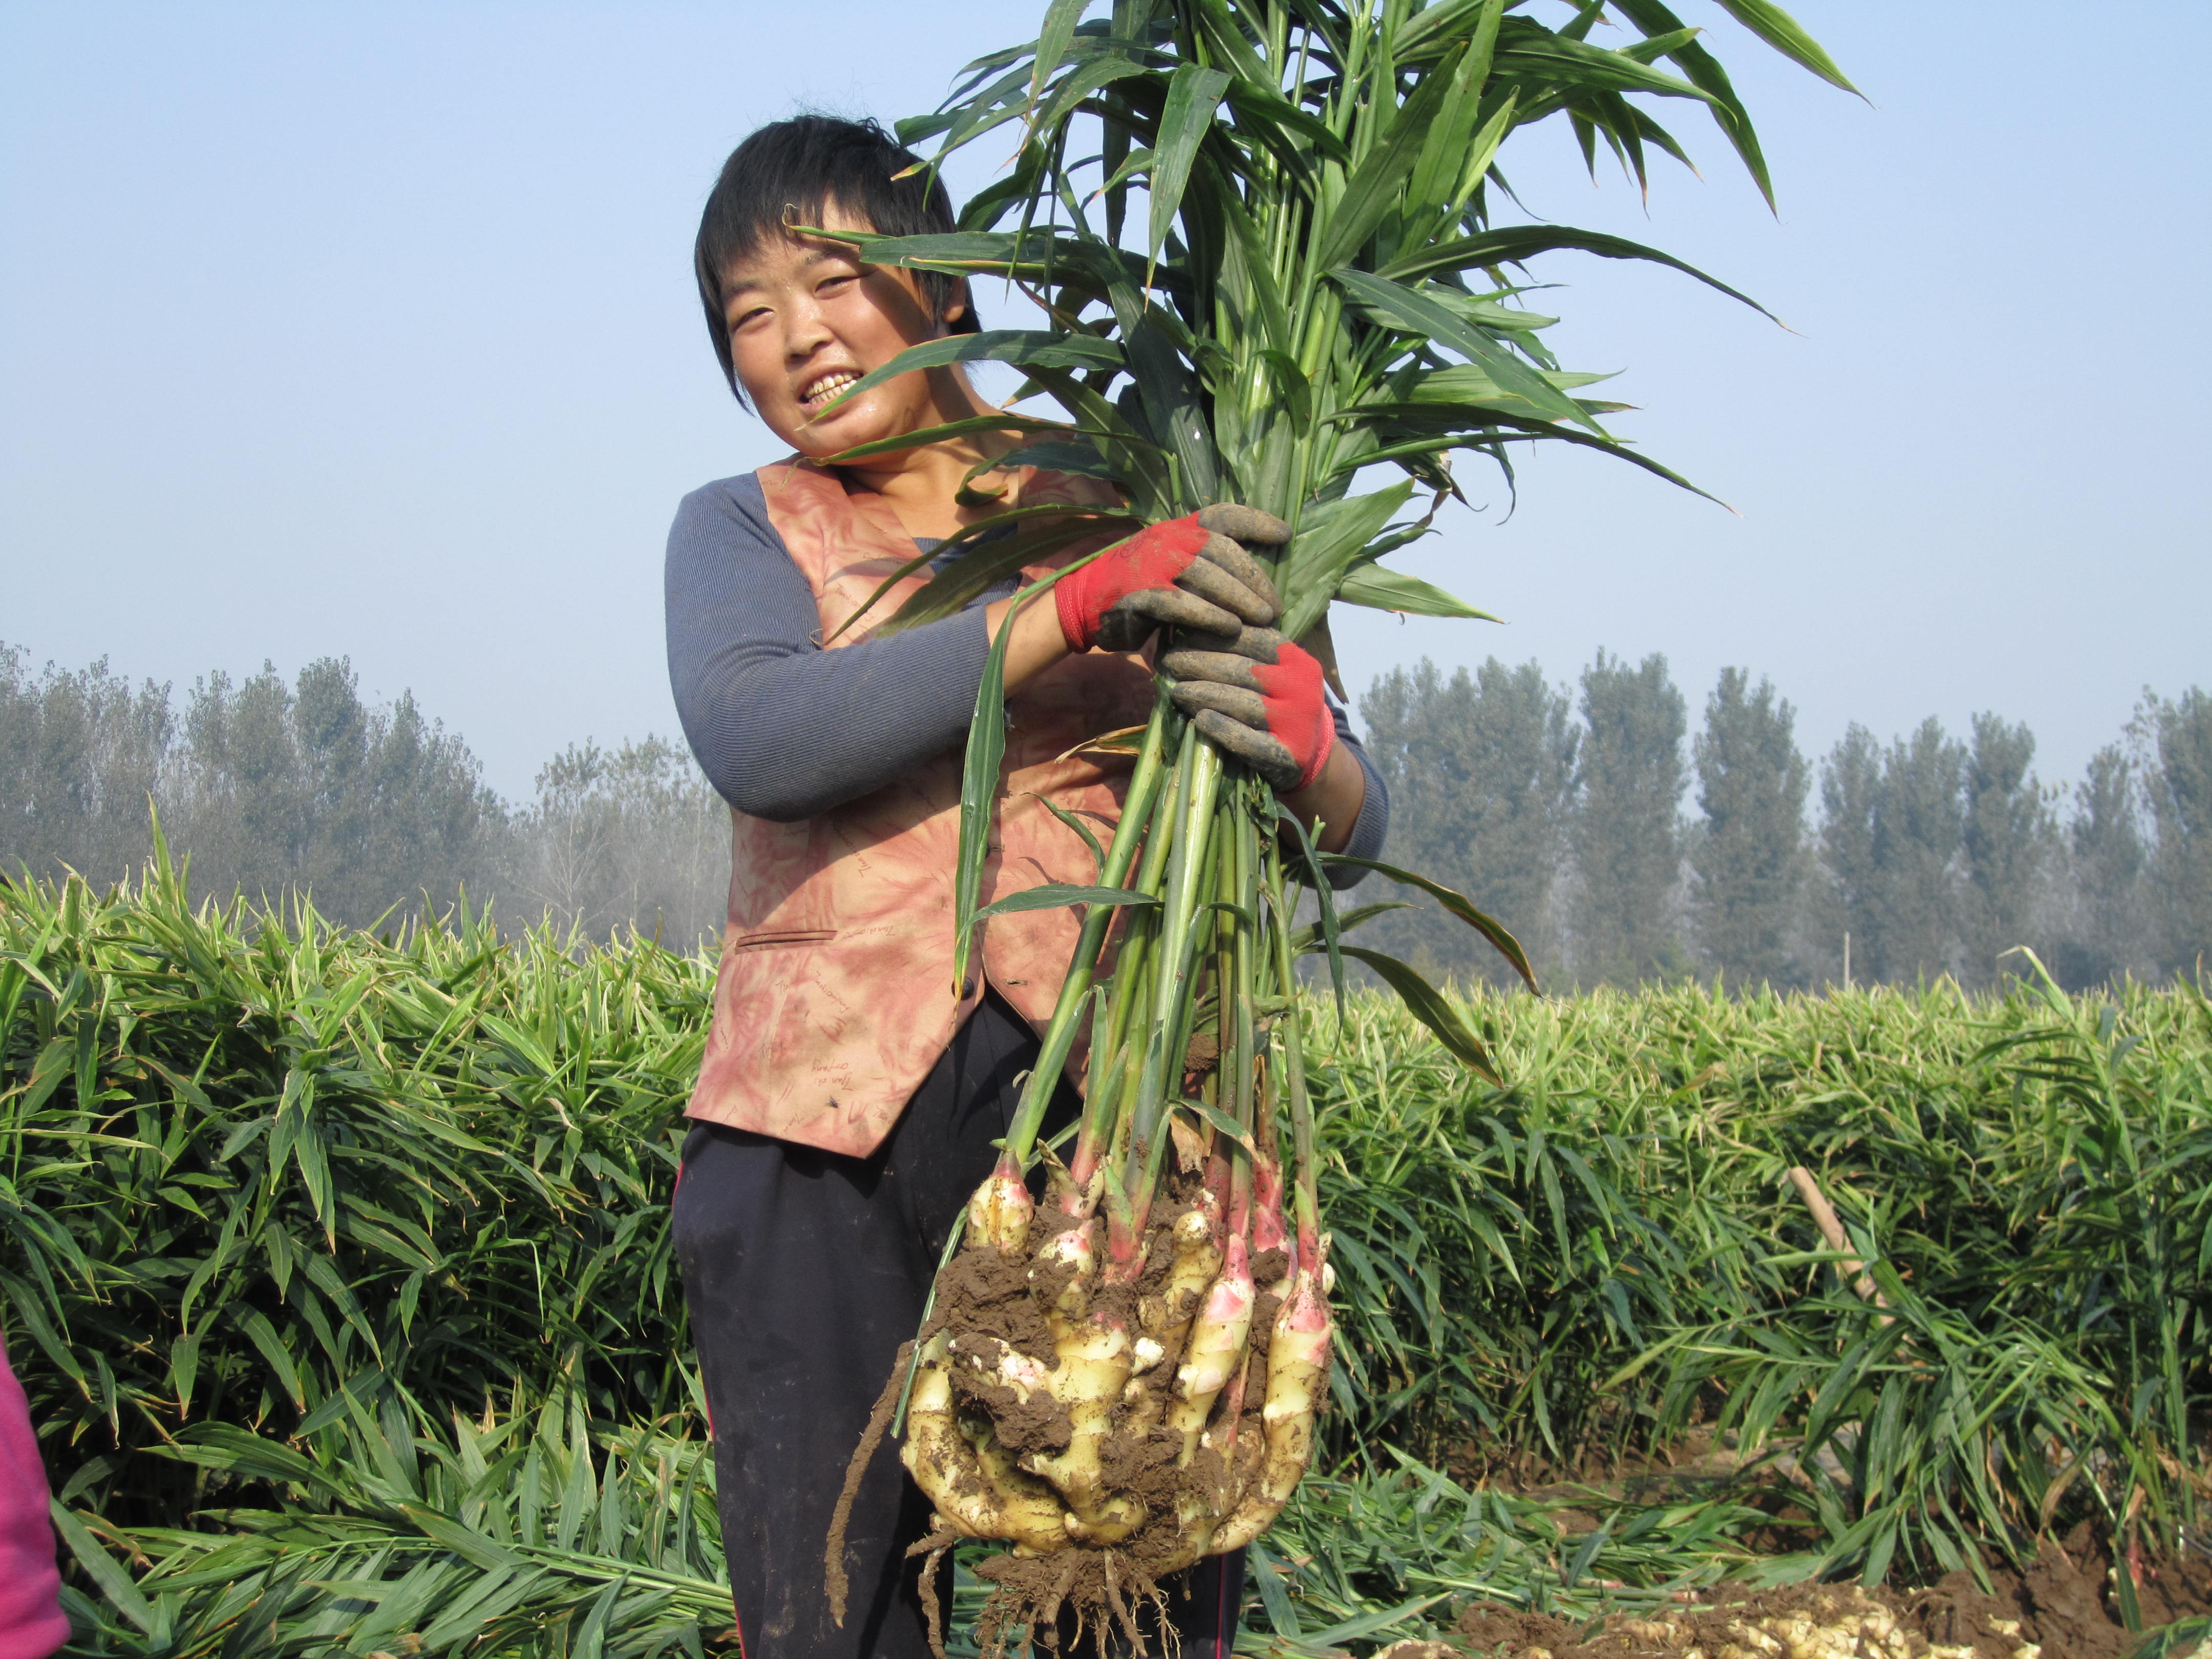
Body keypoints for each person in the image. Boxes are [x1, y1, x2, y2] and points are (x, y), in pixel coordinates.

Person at [665, 115, 1389, 1659]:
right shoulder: (744, 527)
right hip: (818, 1143)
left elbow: (1349, 815)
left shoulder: (1129, 498)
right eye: (748, 316)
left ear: (950, 286)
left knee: (1124, 1583)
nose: (798, 340)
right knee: (831, 1616)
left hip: (1110, 1136)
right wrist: (1070, 609)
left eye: (837, 281)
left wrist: (1312, 746)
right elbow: (760, 732)